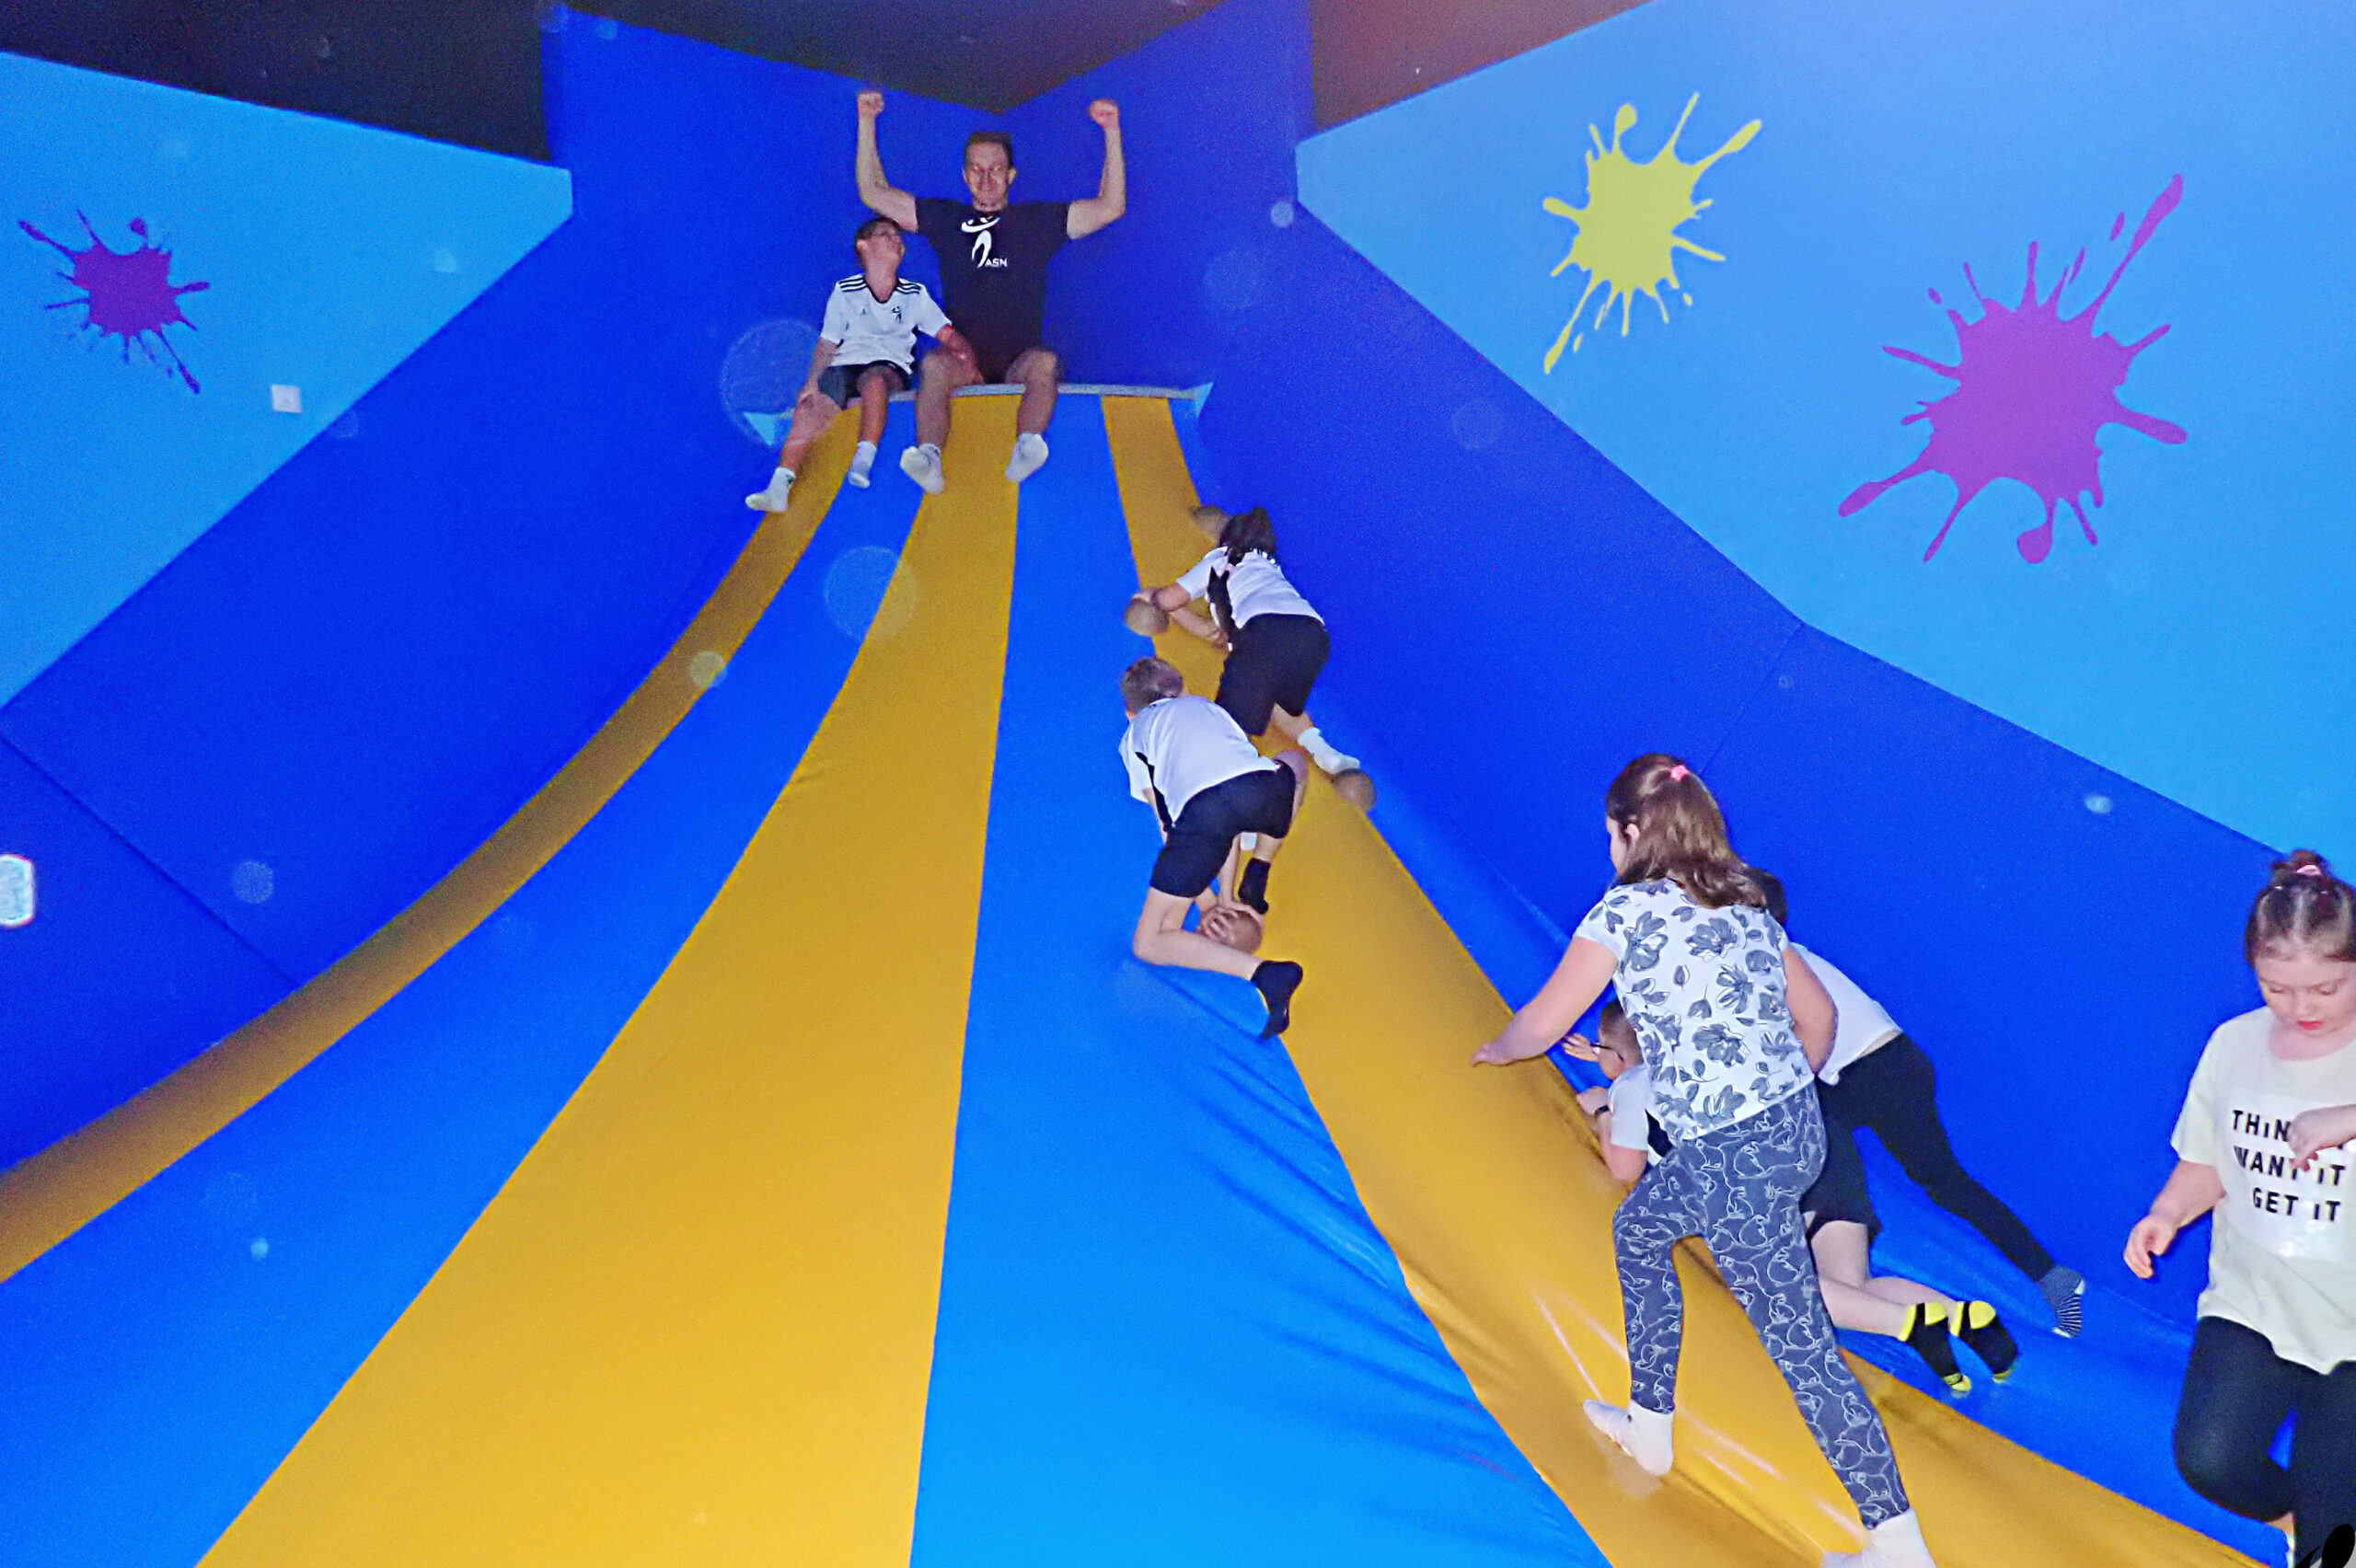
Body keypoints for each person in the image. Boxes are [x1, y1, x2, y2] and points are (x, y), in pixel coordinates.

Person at [1472, 754, 1935, 1568]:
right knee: (1640, 1231)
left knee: (1803, 1351)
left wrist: (1499, 1050)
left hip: (1735, 1153)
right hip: (1792, 1131)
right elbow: (1819, 1019)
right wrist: (1781, 1088)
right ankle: (1649, 1426)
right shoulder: (1744, 906)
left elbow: (1544, 1021)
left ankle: (1898, 1544)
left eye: (1610, 834)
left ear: (1629, 831)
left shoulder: (1624, 913)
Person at [1574, 990, 2019, 1399]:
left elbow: (1625, 1168)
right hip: (1826, 1152)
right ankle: (1966, 1319)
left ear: (1617, 1057)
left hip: (1767, 1179)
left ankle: (1910, 1325)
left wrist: (1603, 1111)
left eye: (1600, 1047)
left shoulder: (1629, 1087)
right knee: (1850, 1286)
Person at [2127, 851, 2356, 1568]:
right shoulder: (2234, 1044)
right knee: (2211, 1460)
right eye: (2277, 987)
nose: (2302, 1008)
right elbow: (2209, 1161)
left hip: (2351, 1327)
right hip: (2254, 1300)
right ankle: (2299, 1520)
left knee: (2334, 1526)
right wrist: (2167, 1213)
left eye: (2326, 988)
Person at [1750, 870, 2083, 1338]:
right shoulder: (1783, 959)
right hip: (1875, 1070)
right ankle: (1814, 1251)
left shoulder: (1774, 961)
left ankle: (2052, 1277)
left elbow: (1806, 1033)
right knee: (1817, 1145)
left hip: (1879, 1072)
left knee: (1943, 1183)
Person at [855, 90, 1126, 492]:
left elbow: (1110, 206)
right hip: (966, 363)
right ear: (965, 176)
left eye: (996, 169)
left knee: (1046, 363)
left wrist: (1111, 130)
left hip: (1019, 362)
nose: (985, 179)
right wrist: (866, 121)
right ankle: (929, 456)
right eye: (976, 170)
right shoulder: (946, 219)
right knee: (934, 365)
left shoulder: (1039, 221)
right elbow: (873, 192)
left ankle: (1028, 445)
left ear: (1011, 175)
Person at [1119, 657, 1306, 1038]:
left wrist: (1206, 902)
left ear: (1130, 714)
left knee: (1150, 942)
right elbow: (1230, 802)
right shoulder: (1206, 707)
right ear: (1183, 690)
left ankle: (1265, 974)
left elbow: (1169, 822)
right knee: (1294, 764)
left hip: (1207, 812)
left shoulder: (1135, 735)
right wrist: (1224, 896)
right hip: (1264, 790)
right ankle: (1260, 866)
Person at [1127, 505, 1362, 784]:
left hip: (1263, 635)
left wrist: (1153, 596)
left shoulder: (1222, 559)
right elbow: (1216, 633)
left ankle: (1241, 783)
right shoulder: (1270, 569)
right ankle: (1324, 752)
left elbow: (1169, 601)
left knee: (1227, 728)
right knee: (1278, 701)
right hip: (1314, 639)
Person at [745, 216, 966, 512]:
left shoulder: (914, 294)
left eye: (898, 237)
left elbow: (946, 333)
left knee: (874, 383)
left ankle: (863, 459)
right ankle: (779, 487)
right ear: (864, 246)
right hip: (845, 367)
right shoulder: (845, 291)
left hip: (888, 366)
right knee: (809, 408)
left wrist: (964, 355)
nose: (895, 240)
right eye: (885, 234)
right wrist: (812, 381)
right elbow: (828, 342)